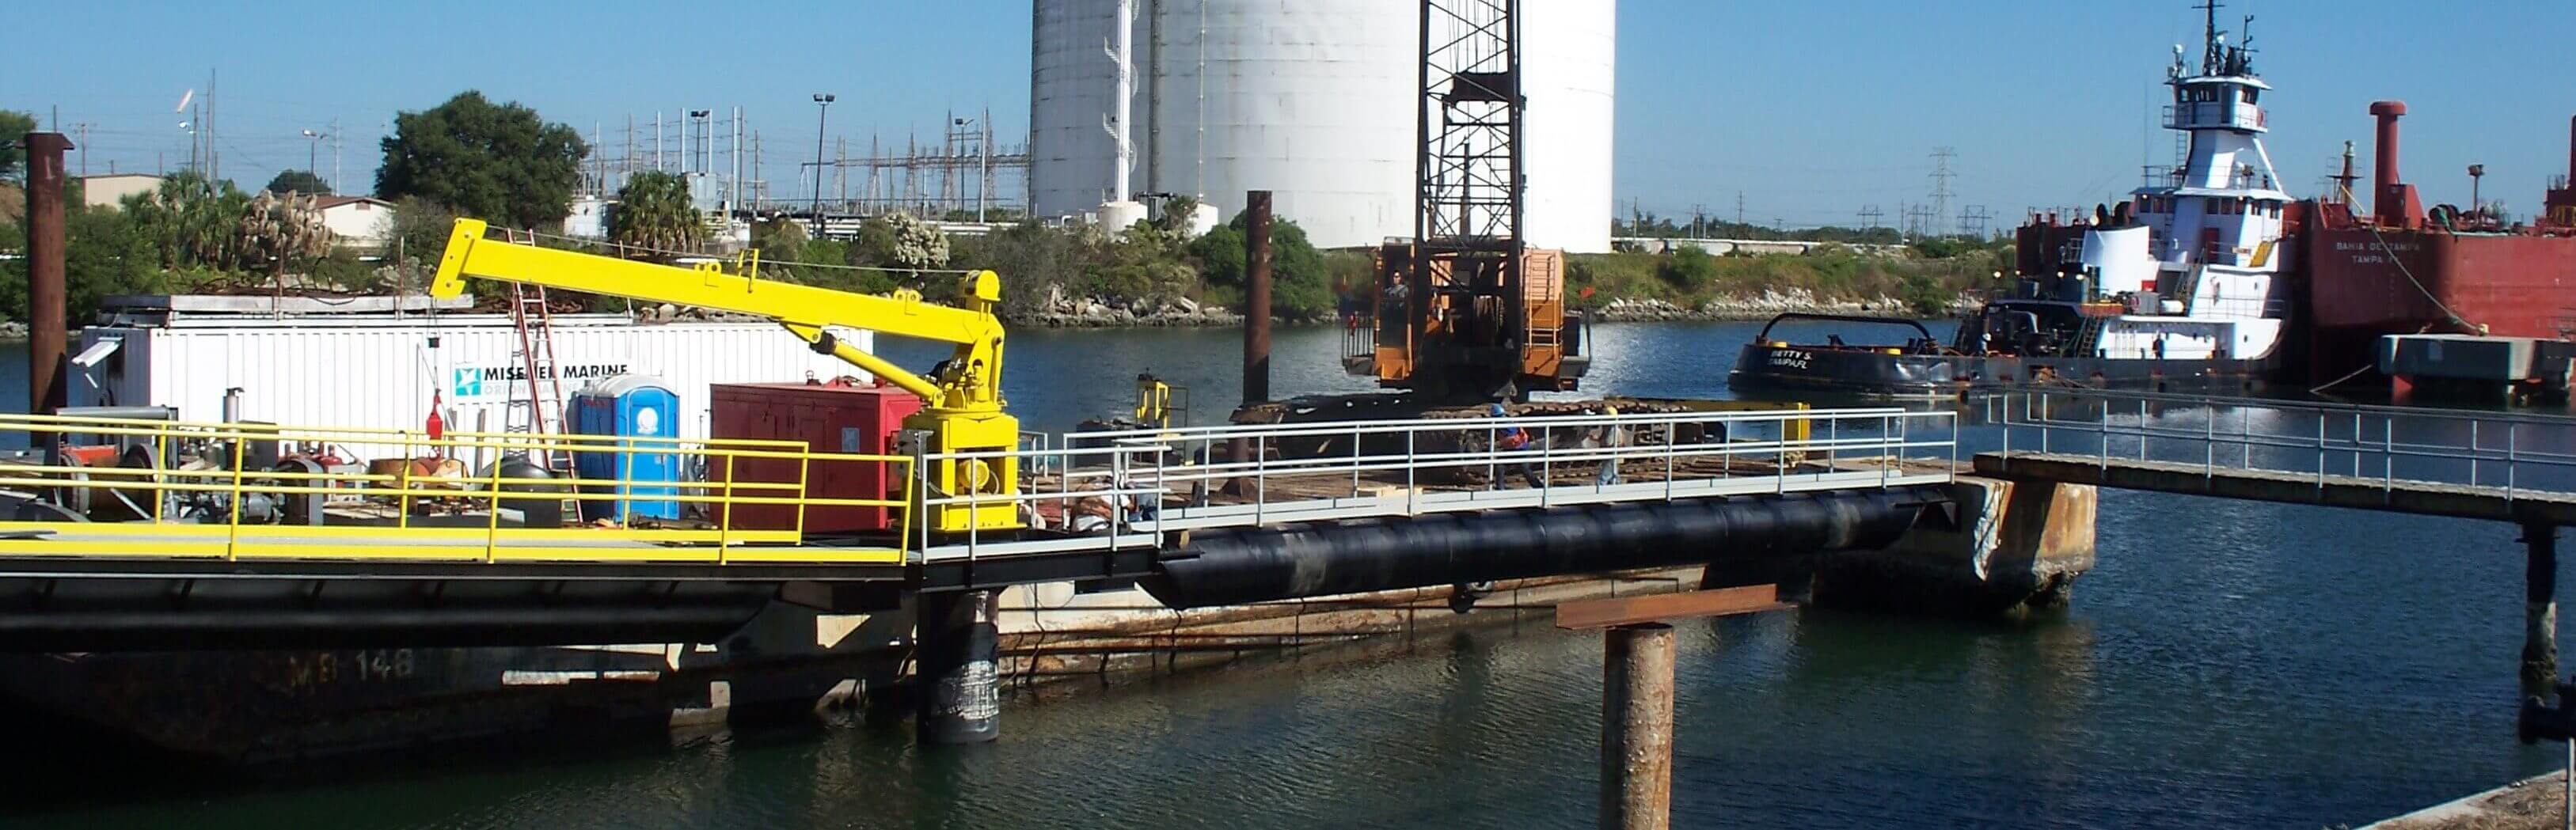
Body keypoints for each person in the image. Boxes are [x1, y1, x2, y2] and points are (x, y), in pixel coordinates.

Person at [1488, 404, 1543, 489]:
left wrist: (1497, 444)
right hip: (1518, 448)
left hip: (1517, 448)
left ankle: (1538, 486)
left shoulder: (1503, 422)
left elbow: (1511, 438)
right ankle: (1538, 486)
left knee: (1521, 468)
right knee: (1519, 468)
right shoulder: (1507, 420)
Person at [1594, 404, 1628, 487]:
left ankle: (1600, 492)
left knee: (1604, 476)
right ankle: (1616, 490)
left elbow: (1608, 443)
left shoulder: (1613, 430)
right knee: (1613, 474)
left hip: (1613, 455)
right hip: (1612, 455)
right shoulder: (1609, 427)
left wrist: (1597, 439)